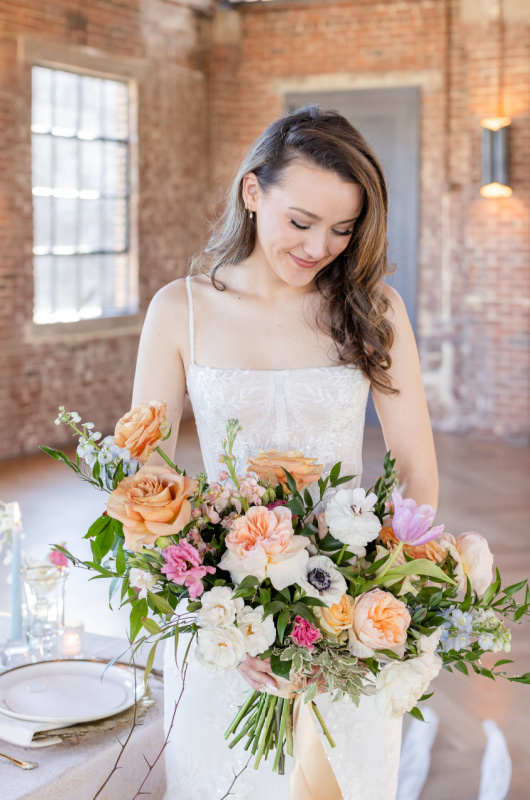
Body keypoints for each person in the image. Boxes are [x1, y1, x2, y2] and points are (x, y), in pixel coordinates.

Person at [131, 105, 439, 800]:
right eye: (299, 222)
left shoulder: (375, 310)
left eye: (342, 229)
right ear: (251, 192)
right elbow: (146, 473)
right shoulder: (178, 311)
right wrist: (225, 615)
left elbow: (416, 467)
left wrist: (371, 600)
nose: (318, 247)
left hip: (346, 625)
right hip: (222, 628)